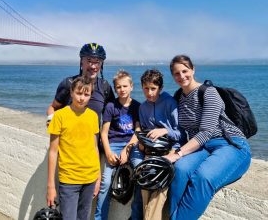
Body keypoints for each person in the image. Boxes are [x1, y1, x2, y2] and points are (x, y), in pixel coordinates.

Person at [166, 55, 251, 220]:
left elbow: (206, 132)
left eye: (185, 71)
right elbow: (181, 130)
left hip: (230, 144)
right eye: (177, 73)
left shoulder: (208, 92)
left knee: (203, 177)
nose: (182, 76)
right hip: (203, 147)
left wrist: (177, 154)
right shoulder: (178, 98)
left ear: (193, 69)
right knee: (180, 170)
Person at [47, 76, 101, 220]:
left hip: (90, 178)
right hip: (69, 179)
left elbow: (94, 147)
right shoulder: (59, 116)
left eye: (86, 94)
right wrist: (51, 186)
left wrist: (98, 177)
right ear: (71, 92)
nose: (82, 98)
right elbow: (53, 152)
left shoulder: (93, 116)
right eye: (78, 93)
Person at [136, 69, 186, 220]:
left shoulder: (170, 103)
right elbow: (145, 132)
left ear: (160, 88)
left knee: (158, 188)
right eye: (146, 88)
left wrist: (165, 130)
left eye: (153, 89)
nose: (149, 93)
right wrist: (142, 143)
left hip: (170, 150)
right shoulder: (143, 107)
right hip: (150, 151)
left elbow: (182, 134)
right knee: (145, 188)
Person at [94, 70, 144, 220]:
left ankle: (135, 217)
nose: (122, 89)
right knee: (106, 183)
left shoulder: (137, 106)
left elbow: (137, 131)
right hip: (114, 144)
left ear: (131, 87)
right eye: (118, 87)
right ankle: (99, 218)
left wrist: (127, 150)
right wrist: (108, 152)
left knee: (141, 175)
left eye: (125, 86)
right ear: (115, 89)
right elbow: (104, 132)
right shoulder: (110, 106)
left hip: (131, 144)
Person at [46, 43, 115, 126]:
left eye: (97, 62)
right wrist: (51, 119)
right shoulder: (69, 83)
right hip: (68, 137)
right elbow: (53, 107)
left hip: (93, 138)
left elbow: (110, 116)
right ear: (81, 61)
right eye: (89, 61)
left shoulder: (105, 86)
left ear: (102, 64)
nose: (93, 66)